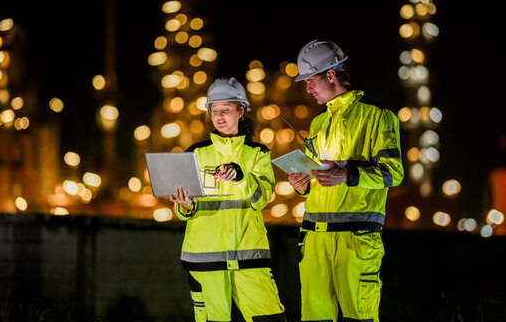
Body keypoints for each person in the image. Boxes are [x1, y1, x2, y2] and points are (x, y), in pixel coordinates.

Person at [288, 39, 404, 321]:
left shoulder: (378, 116)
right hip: (315, 238)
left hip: (356, 238)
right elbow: (318, 177)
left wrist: (349, 175)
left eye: (311, 80)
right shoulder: (318, 123)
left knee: (358, 316)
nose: (308, 88)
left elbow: (393, 173)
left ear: (330, 75)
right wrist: (303, 185)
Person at [170, 77, 287, 322]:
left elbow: (262, 198)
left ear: (240, 111)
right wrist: (184, 205)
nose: (219, 116)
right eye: (214, 111)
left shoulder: (257, 154)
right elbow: (185, 211)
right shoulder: (196, 153)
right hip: (205, 258)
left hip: (248, 257)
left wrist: (241, 177)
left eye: (226, 110)